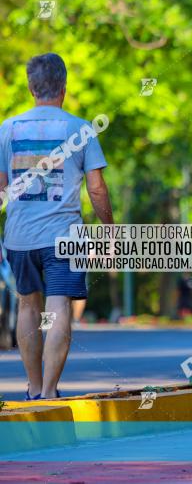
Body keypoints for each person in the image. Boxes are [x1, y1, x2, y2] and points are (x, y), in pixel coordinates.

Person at [0, 53, 113, 400]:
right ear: (64, 88)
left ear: (32, 88)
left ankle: (33, 388)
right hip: (64, 236)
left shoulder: (7, 129)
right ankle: (50, 392)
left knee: (27, 305)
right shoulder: (80, 129)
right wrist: (109, 229)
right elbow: (96, 187)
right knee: (59, 304)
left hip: (19, 236)